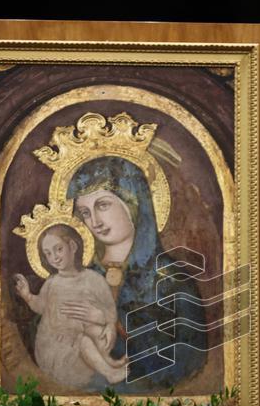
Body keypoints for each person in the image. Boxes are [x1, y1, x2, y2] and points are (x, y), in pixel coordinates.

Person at [66, 156, 207, 393]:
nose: (95, 222)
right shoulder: (79, 278)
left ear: (133, 202)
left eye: (102, 205)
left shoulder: (173, 280)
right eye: (85, 212)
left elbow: (190, 356)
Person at [14, 224, 128, 388]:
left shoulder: (94, 279)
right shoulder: (52, 283)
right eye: (48, 254)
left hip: (82, 336)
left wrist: (109, 324)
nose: (54, 257)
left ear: (73, 246)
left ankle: (109, 362)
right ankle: (109, 373)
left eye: (58, 249)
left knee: (95, 331)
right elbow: (40, 307)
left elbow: (109, 309)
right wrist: (27, 296)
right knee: (84, 341)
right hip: (56, 347)